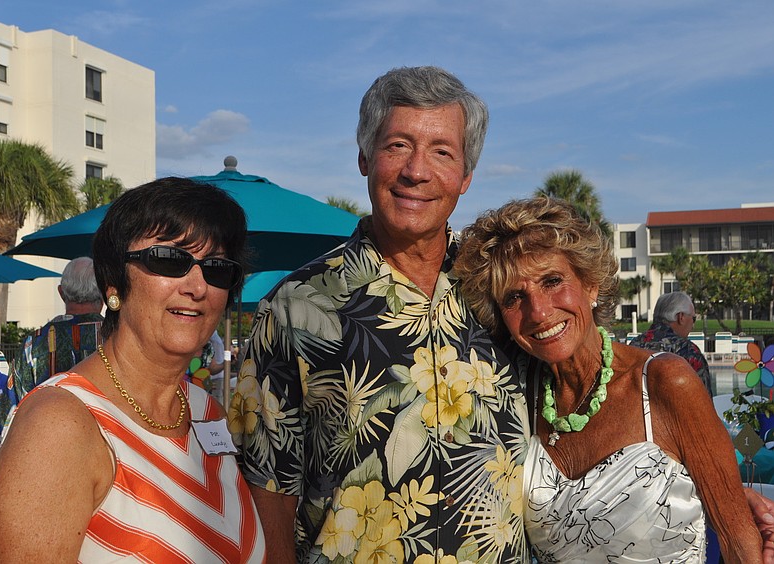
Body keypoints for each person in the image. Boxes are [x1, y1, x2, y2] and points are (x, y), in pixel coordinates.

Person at [234, 66, 530, 562]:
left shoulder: (502, 291)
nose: (417, 170)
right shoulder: (296, 307)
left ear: (466, 177)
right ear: (364, 159)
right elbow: (268, 487)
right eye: (397, 146)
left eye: (442, 152)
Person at [454, 196, 761, 562]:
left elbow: (739, 541)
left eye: (552, 281)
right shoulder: (517, 395)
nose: (538, 311)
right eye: (514, 297)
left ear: (591, 285)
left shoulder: (665, 383)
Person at [0, 177, 266, 562]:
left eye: (216, 268)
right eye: (170, 260)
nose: (198, 286)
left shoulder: (204, 412)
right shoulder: (59, 425)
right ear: (113, 282)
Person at [0, 256, 104, 429]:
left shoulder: (33, 345)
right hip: (110, 452)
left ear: (61, 293)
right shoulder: (120, 339)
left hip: (48, 448)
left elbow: (8, 418)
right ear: (104, 292)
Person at [627, 291, 712, 394]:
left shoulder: (633, 346)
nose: (693, 325)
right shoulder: (688, 351)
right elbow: (704, 402)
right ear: (681, 317)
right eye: (693, 318)